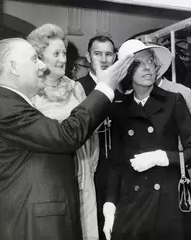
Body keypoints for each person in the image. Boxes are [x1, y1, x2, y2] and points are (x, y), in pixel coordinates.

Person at [0, 37, 133, 240]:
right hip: (33, 228)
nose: (42, 66)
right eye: (34, 59)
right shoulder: (6, 109)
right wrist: (105, 88)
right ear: (14, 67)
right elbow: (66, 135)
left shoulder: (10, 105)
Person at [103, 39, 191, 240]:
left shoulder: (174, 101)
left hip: (167, 204)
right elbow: (116, 163)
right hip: (131, 203)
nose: (148, 67)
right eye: (139, 63)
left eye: (150, 61)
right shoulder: (120, 108)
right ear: (127, 71)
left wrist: (163, 157)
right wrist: (110, 205)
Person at [27, 23, 98, 240]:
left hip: (83, 171)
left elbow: (90, 130)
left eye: (64, 53)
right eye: (56, 53)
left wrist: (89, 166)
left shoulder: (76, 87)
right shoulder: (31, 92)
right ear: (40, 56)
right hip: (50, 175)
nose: (62, 59)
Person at [76, 35, 117, 240]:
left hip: (119, 169)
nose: (103, 59)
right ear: (88, 57)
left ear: (115, 57)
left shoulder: (122, 88)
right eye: (97, 53)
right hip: (91, 169)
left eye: (108, 54)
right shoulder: (77, 88)